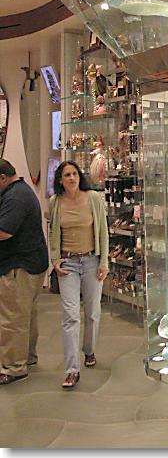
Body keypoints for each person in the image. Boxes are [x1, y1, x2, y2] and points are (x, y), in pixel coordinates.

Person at [49, 161, 109, 389]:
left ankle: (89, 350)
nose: (72, 178)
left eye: (74, 173)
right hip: (68, 264)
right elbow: (53, 231)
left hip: (92, 261)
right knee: (70, 315)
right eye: (67, 175)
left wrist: (104, 262)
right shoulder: (55, 202)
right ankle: (72, 369)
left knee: (92, 313)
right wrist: (55, 259)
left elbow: (103, 231)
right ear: (61, 180)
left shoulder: (92, 198)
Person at [0, 158, 48, 385]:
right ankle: (26, 356)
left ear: (2, 177)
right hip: (30, 263)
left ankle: (13, 367)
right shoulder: (19, 192)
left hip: (19, 266)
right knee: (25, 314)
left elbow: (4, 231)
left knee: (12, 318)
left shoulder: (15, 197)